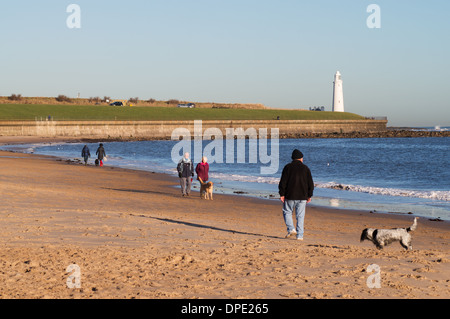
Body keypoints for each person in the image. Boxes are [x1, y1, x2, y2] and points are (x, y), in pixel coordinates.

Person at [278, 149, 314, 241]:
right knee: (300, 216)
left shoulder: (287, 167)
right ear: (301, 158)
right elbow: (310, 183)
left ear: (293, 158)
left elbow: (283, 182)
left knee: (287, 212)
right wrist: (309, 195)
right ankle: (300, 236)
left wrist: (282, 193)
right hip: (302, 196)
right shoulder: (305, 168)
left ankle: (291, 229)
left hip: (290, 195)